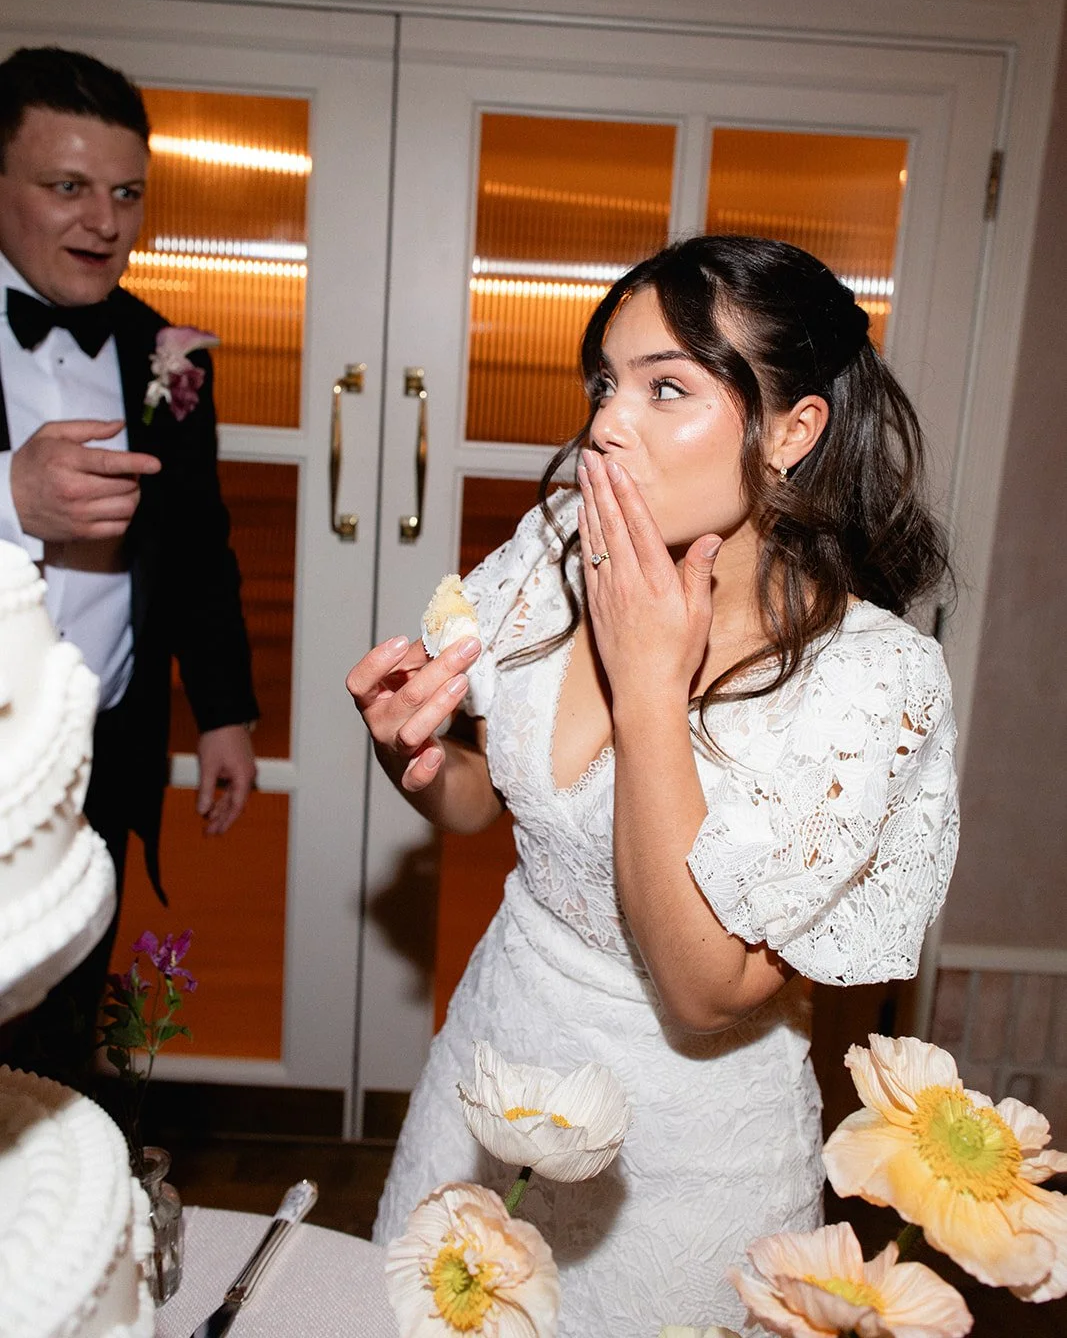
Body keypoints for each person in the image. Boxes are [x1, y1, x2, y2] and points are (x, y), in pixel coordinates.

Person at [350, 236, 959, 1334]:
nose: (603, 424)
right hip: (495, 1069)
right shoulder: (555, 546)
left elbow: (702, 990)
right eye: (605, 382)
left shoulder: (874, 680)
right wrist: (418, 759)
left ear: (792, 430)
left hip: (682, 1161)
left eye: (663, 386)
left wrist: (646, 689)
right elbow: (489, 802)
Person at [0, 46, 258, 1080]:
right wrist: (10, 499)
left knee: (59, 1037)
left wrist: (225, 711)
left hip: (104, 744)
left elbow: (198, 541)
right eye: (67, 187)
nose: (103, 222)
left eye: (124, 193)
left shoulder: (169, 354)